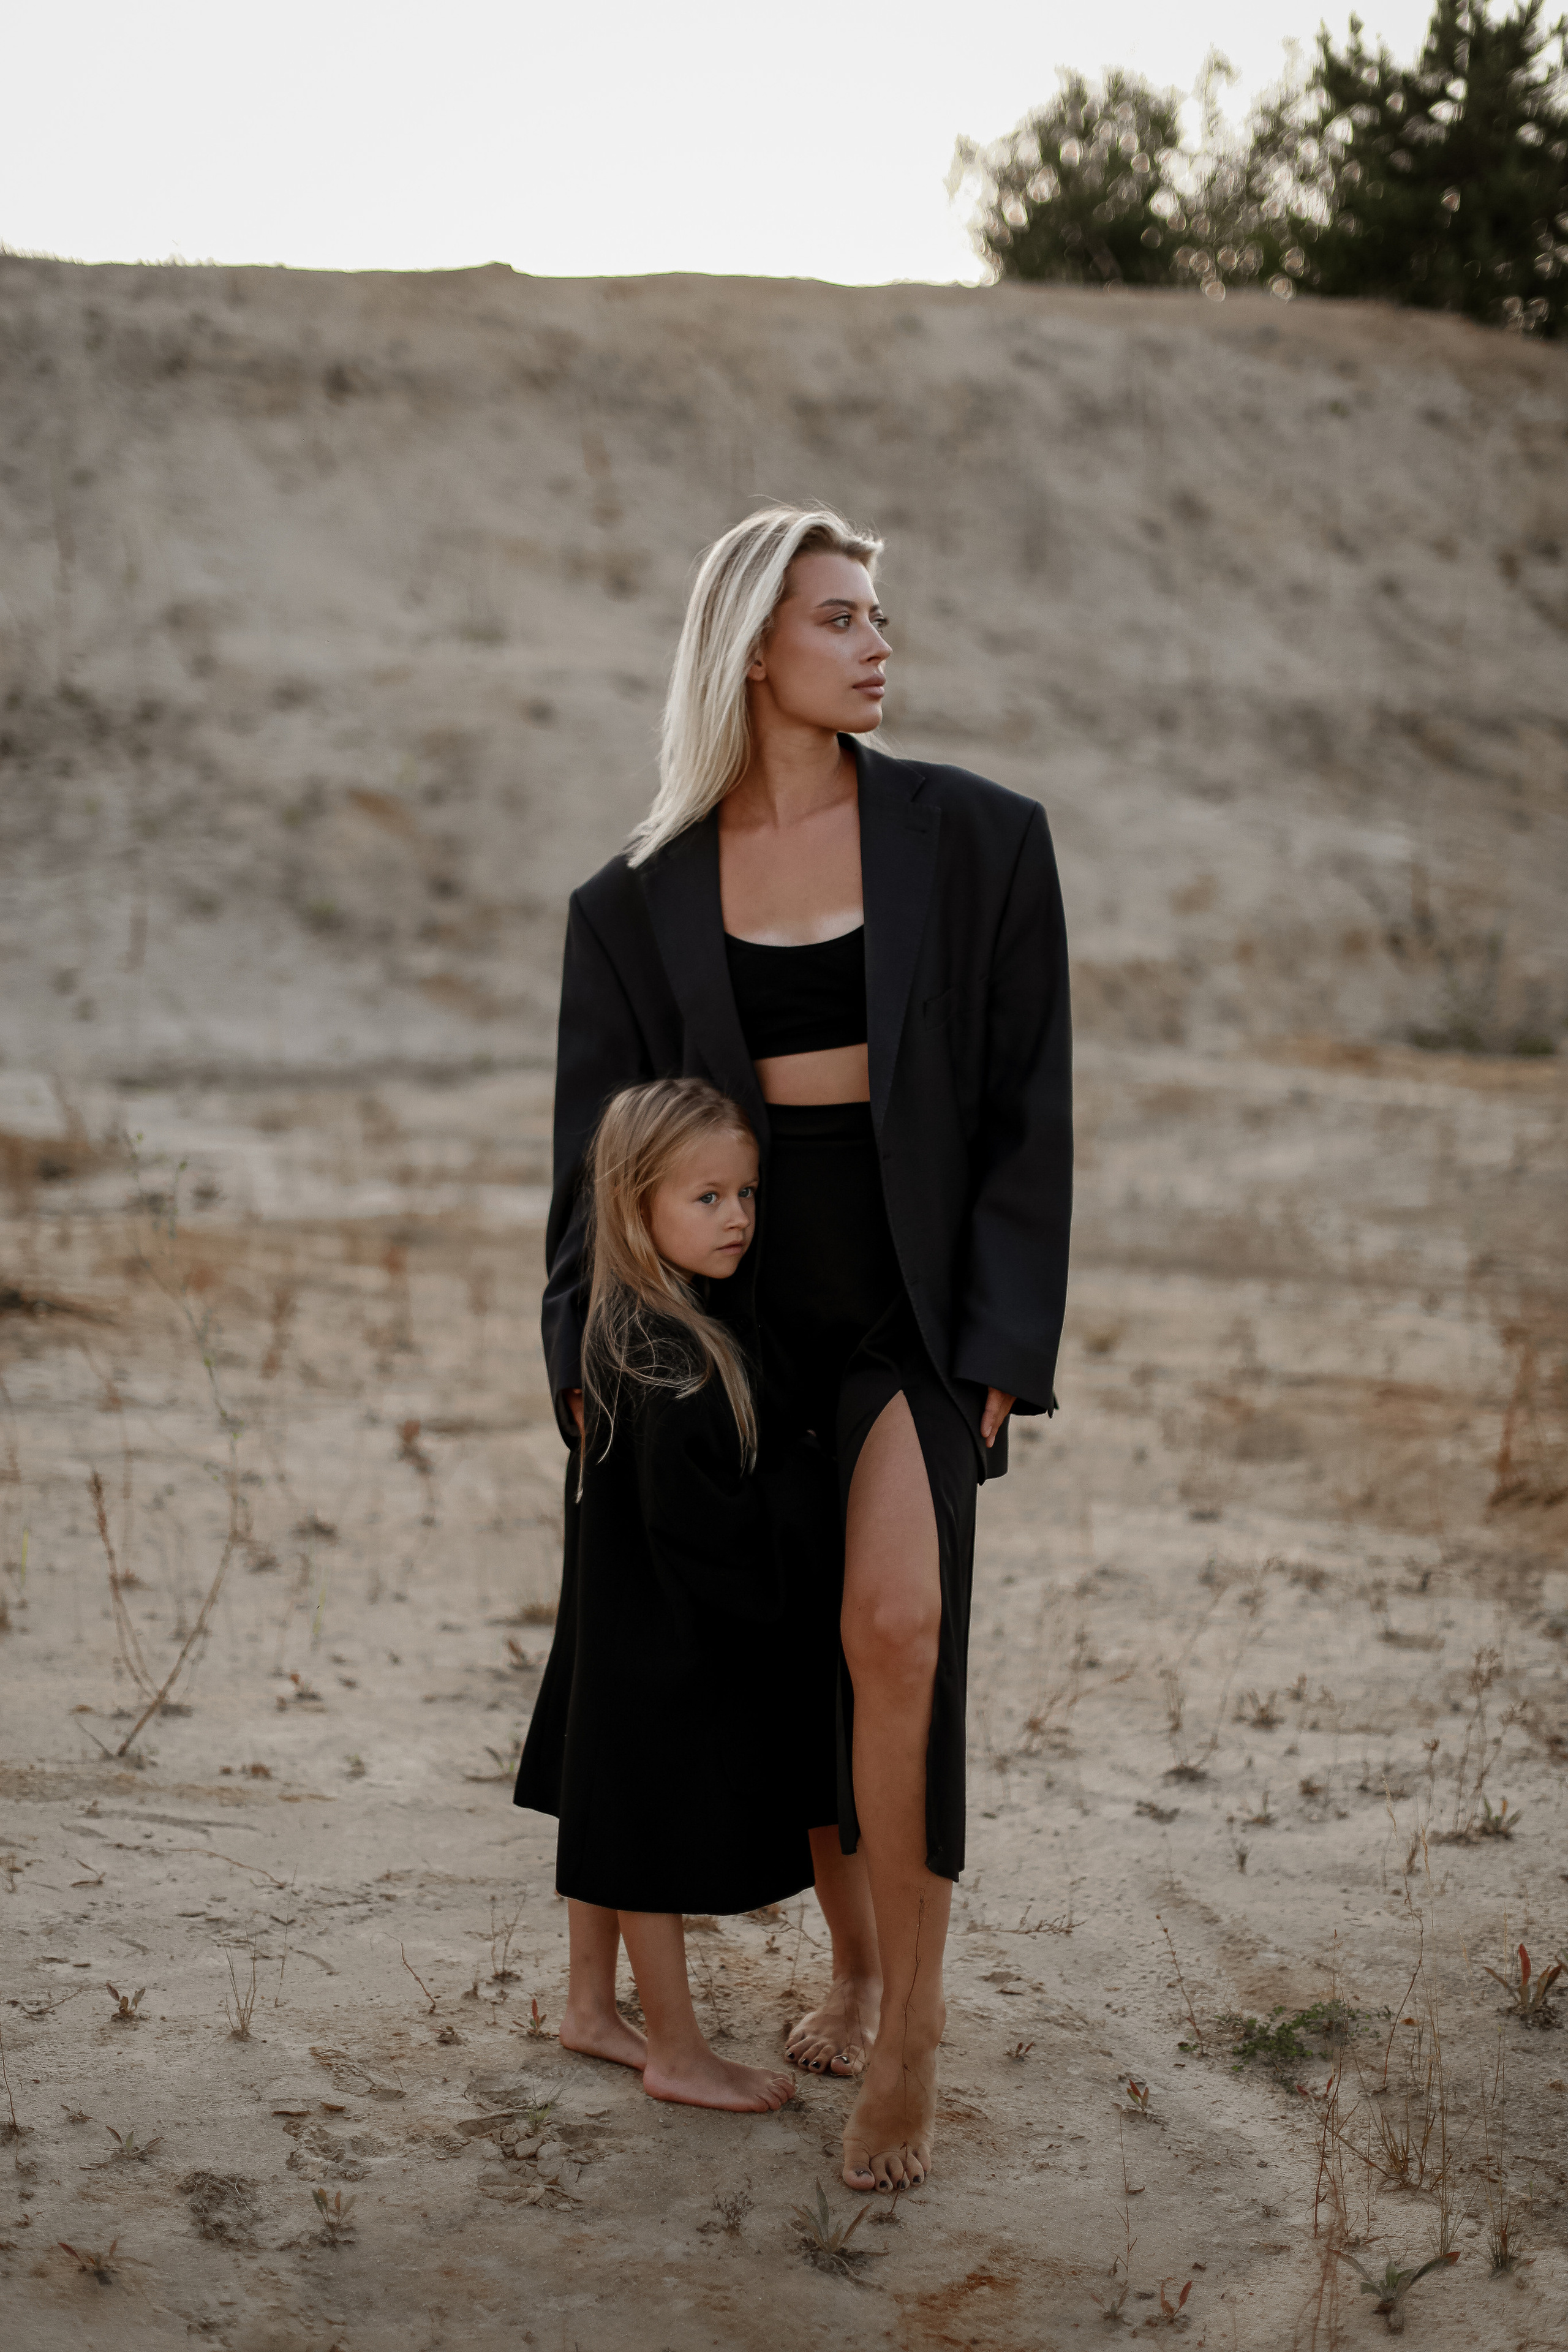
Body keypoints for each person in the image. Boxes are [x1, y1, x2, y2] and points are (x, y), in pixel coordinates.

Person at [539, 507, 1072, 2188]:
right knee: (789, 1666)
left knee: (895, 1630)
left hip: (907, 1321)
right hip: (729, 1336)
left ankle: (908, 2023)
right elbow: (592, 1157)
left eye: (877, 616)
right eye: (838, 619)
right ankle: (845, 1963)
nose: (874, 644)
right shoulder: (632, 904)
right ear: (752, 649)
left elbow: (1025, 1117)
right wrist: (582, 1351)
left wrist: (998, 1346)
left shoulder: (981, 841)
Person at [514, 1075, 837, 2113]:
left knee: (609, 1812)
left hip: (617, 1628)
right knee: (643, 1838)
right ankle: (677, 2049)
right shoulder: (673, 1366)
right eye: (707, 1198)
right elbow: (714, 1536)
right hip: (659, 1644)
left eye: (746, 1193)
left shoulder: (627, 1324)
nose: (738, 1216)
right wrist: (806, 1484)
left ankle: (589, 2010)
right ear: (634, 1202)